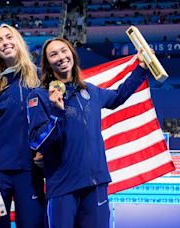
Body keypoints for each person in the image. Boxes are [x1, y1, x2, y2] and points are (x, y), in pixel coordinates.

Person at [27, 37, 149, 228]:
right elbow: (37, 142)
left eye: (64, 51)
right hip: (62, 187)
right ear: (48, 64)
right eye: (54, 54)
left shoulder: (90, 91)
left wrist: (141, 69)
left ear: (72, 55)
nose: (61, 57)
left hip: (96, 183)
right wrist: (57, 113)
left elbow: (118, 96)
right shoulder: (40, 96)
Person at [0, 23, 45, 227]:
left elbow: (54, 118)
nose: (5, 43)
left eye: (9, 37)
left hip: (30, 168)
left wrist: (47, 151)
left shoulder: (41, 78)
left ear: (19, 42)